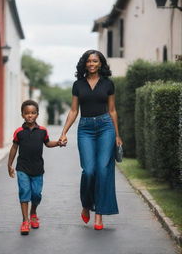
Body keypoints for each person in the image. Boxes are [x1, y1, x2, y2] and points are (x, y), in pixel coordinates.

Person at [59, 50, 123, 230]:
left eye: (95, 61)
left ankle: (99, 216)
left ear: (100, 63)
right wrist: (64, 132)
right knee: (89, 170)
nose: (92, 64)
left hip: (105, 127)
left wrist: (117, 135)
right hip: (85, 128)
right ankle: (87, 205)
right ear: (84, 64)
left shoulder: (108, 84)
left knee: (103, 170)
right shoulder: (78, 85)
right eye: (89, 61)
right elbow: (73, 111)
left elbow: (112, 110)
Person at [8, 100, 60, 235]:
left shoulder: (43, 131)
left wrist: (58, 143)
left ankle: (33, 212)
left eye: (33, 113)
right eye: (27, 113)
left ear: (37, 114)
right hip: (22, 168)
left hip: (37, 169)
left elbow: (48, 143)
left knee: (36, 194)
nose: (30, 115)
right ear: (22, 115)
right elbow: (14, 148)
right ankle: (25, 221)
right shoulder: (19, 132)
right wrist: (10, 165)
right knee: (24, 192)